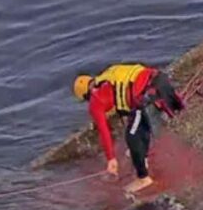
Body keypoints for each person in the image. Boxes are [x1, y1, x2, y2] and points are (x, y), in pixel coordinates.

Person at [72, 64, 185, 194]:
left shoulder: (95, 101)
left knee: (131, 136)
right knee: (139, 126)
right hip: (160, 80)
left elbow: (104, 132)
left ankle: (143, 178)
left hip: (147, 95)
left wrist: (111, 159)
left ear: (86, 95)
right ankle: (144, 158)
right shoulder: (108, 75)